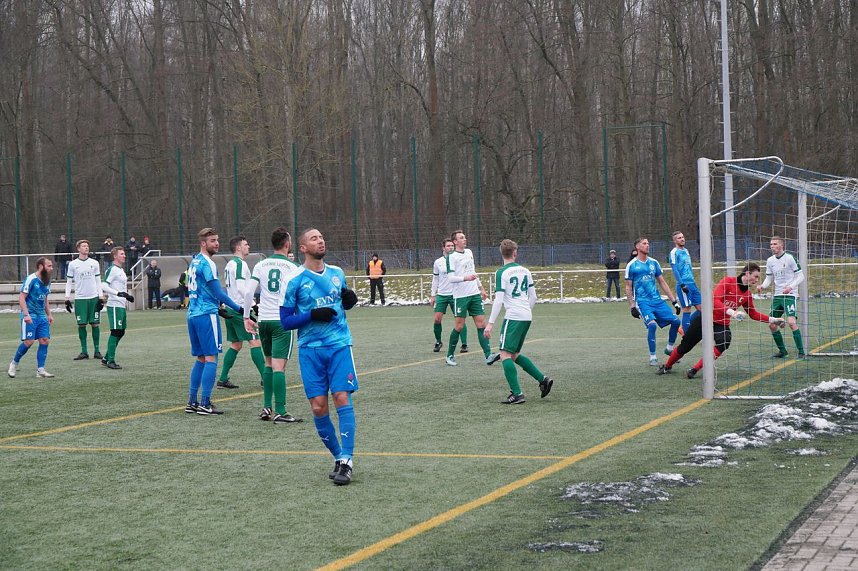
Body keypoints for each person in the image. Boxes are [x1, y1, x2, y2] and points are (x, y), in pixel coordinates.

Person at [279, 228, 360, 485]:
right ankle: (337, 456)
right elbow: (285, 321)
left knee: (341, 397)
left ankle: (347, 461)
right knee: (318, 407)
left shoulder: (337, 273)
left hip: (339, 345)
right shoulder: (294, 279)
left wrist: (350, 300)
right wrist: (312, 315)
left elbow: (344, 302)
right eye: (314, 239)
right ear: (303, 248)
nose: (320, 241)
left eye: (322, 237)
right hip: (310, 350)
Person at [658, 262, 786, 378]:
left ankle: (695, 369)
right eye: (756, 276)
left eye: (758, 278)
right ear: (747, 273)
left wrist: (773, 320)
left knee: (724, 342)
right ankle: (667, 366)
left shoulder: (747, 294)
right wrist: (732, 312)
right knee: (685, 347)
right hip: (705, 318)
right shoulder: (728, 281)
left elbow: (753, 314)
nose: (757, 280)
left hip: (721, 323)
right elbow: (715, 300)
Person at [243, 227, 305, 423]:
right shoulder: (294, 267)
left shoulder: (261, 265)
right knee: (279, 367)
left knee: (268, 363)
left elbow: (248, 292)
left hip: (264, 321)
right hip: (282, 321)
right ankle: (281, 411)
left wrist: (246, 317)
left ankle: (266, 407)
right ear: (287, 244)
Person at [483, 239, 554, 404]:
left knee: (504, 354)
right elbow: (533, 297)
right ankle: (542, 380)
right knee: (514, 354)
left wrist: (490, 323)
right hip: (526, 315)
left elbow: (499, 299)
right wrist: (526, 310)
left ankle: (517, 394)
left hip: (513, 316)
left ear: (501, 253)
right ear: (515, 253)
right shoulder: (525, 271)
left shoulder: (501, 272)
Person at [184, 228, 242, 416]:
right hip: (206, 314)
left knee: (201, 358)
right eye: (212, 241)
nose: (217, 243)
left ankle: (192, 402)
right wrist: (240, 308)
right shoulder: (208, 263)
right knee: (211, 358)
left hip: (192, 314)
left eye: (217, 240)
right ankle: (205, 403)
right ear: (203, 243)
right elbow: (218, 292)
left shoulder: (194, 261)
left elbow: (202, 290)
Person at [217, 235, 265, 390]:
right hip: (239, 309)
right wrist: (253, 304)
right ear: (238, 247)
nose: (248, 246)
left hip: (230, 308)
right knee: (255, 341)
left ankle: (223, 379)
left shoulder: (229, 264)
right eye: (246, 244)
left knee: (236, 344)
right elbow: (241, 288)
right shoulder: (239, 264)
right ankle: (266, 378)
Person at [443, 230, 498, 367]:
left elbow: (472, 272)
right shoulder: (452, 257)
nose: (465, 239)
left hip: (474, 294)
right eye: (461, 238)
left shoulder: (469, 252)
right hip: (460, 296)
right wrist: (465, 278)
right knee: (459, 326)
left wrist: (481, 288)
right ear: (455, 241)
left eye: (465, 237)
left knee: (481, 324)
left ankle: (488, 355)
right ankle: (450, 355)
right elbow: (451, 278)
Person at [625, 237, 682, 366]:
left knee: (676, 321)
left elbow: (662, 282)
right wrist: (632, 306)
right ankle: (653, 357)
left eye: (648, 243)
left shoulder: (654, 263)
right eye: (644, 243)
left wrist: (674, 301)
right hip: (643, 302)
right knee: (652, 325)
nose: (647, 245)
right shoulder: (632, 265)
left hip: (657, 301)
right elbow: (628, 287)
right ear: (637, 247)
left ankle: (669, 349)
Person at [757, 236, 806, 359]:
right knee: (772, 324)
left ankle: (801, 352)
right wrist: (762, 286)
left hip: (789, 295)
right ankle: (783, 352)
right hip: (777, 296)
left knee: (791, 323)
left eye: (775, 244)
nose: (772, 246)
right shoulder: (770, 261)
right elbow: (769, 278)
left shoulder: (789, 258)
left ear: (781, 245)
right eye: (771, 244)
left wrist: (790, 287)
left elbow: (801, 276)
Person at [8, 257, 55, 379]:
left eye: (52, 266)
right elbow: (22, 297)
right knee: (29, 342)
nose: (51, 268)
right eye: (49, 266)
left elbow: (45, 298)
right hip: (30, 314)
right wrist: (26, 314)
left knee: (45, 340)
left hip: (41, 315)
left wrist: (49, 314)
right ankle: (14, 363)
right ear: (41, 266)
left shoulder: (47, 281)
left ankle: (41, 370)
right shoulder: (31, 279)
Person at [65, 239, 104, 360]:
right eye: (83, 246)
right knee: (81, 324)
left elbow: (98, 280)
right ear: (78, 249)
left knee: (95, 323)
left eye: (87, 246)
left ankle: (97, 351)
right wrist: (67, 298)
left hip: (93, 297)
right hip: (80, 299)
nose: (86, 247)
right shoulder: (73, 264)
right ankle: (84, 351)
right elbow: (69, 282)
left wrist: (101, 296)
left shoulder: (94, 263)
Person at [430, 239, 468, 353]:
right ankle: (438, 341)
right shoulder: (438, 262)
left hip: (455, 294)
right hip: (442, 295)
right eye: (448, 246)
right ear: (443, 248)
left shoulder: (457, 260)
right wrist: (433, 295)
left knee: (460, 320)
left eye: (452, 245)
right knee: (437, 319)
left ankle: (464, 344)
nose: (450, 247)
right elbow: (435, 279)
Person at [100, 246, 134, 369]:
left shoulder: (121, 270)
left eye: (124, 254)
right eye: (121, 254)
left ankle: (106, 358)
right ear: (115, 256)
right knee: (115, 331)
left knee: (121, 331)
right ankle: (110, 360)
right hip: (114, 305)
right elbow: (104, 285)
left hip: (121, 305)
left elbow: (121, 287)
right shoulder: (112, 269)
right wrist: (118, 294)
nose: (124, 256)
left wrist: (127, 296)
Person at [669, 230, 702, 334]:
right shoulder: (674, 252)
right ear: (675, 241)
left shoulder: (686, 251)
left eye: (682, 237)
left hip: (692, 284)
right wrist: (682, 284)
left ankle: (684, 328)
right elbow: (675, 269)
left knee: (702, 309)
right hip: (683, 284)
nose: (682, 239)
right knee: (687, 309)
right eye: (679, 238)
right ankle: (686, 336)